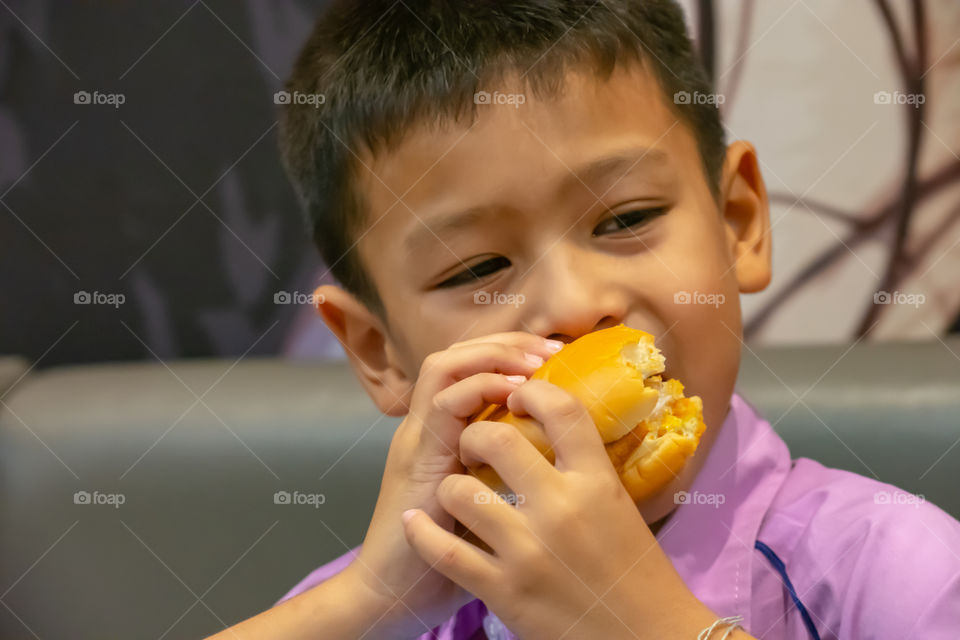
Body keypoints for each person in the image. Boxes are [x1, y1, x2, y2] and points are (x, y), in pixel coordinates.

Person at [207, 1, 960, 637]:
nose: (573, 305)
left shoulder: (890, 566)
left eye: (626, 218)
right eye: (476, 268)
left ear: (737, 222)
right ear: (380, 353)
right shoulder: (369, 609)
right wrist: (368, 602)